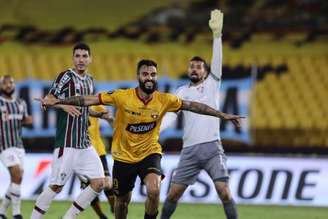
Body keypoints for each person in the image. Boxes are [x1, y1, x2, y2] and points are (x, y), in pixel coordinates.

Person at [38, 59, 243, 219]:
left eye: (153, 74)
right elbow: (87, 100)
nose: (149, 77)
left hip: (149, 153)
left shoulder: (165, 100)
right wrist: (59, 100)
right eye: (145, 73)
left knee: (154, 190)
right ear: (138, 76)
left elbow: (194, 106)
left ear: (156, 77)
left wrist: (222, 115)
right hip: (124, 156)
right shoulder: (122, 96)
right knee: (122, 203)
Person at [160, 10, 238, 219]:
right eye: (192, 66)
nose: (194, 69)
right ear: (188, 70)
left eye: (199, 67)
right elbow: (171, 116)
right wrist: (157, 129)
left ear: (205, 71)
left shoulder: (213, 84)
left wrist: (217, 36)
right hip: (190, 150)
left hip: (213, 148)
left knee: (224, 192)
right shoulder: (181, 92)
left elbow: (217, 61)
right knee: (173, 194)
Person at [31, 42, 112, 219]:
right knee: (56, 187)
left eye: (84, 56)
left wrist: (98, 115)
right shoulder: (65, 76)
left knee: (99, 183)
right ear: (73, 58)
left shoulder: (90, 81)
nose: (81, 60)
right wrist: (63, 105)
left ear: (90, 59)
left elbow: (82, 109)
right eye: (77, 56)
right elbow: (47, 100)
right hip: (66, 143)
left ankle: (69, 217)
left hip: (84, 143)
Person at [0, 75, 33, 219]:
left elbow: (26, 120)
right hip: (4, 145)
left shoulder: (21, 103)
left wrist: (28, 121)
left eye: (11, 83)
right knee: (17, 174)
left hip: (19, 146)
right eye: (5, 83)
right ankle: (16, 213)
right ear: (1, 86)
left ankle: (1, 213)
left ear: (14, 85)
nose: (8, 85)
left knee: (16, 179)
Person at [83, 105, 115, 219]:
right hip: (81, 155)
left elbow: (110, 118)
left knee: (107, 184)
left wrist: (112, 122)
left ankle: (113, 206)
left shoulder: (96, 106)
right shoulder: (70, 107)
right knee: (90, 189)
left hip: (98, 151)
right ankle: (101, 216)